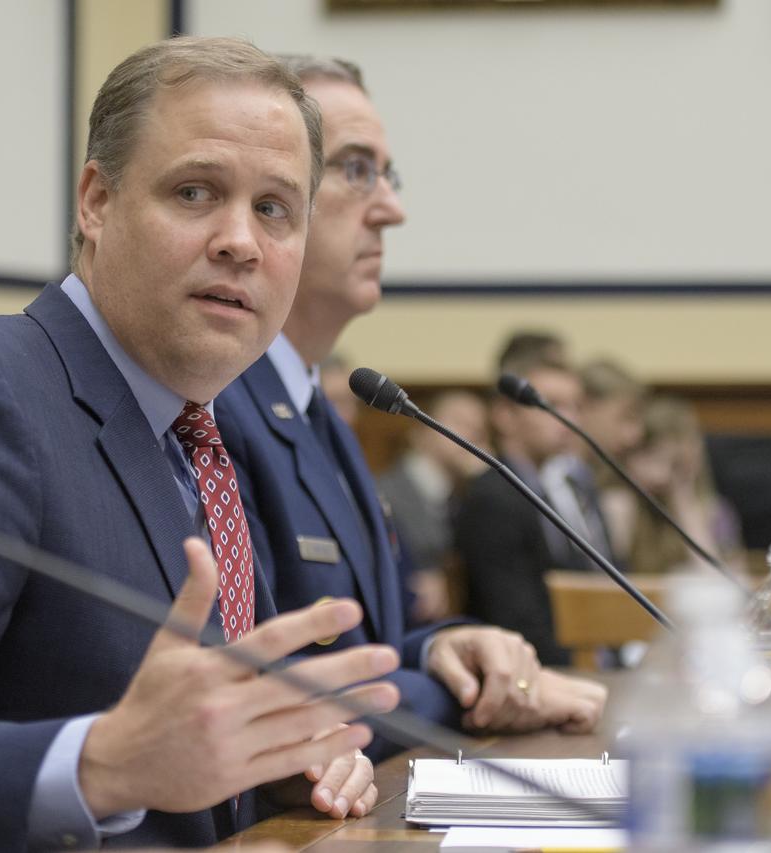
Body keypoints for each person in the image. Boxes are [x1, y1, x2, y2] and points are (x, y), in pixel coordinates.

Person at [0, 38, 402, 853]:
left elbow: (197, 748)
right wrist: (101, 765)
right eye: (196, 191)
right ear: (96, 200)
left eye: (275, 209)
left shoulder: (203, 431)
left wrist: (284, 756)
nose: (241, 240)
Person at [217, 55, 606, 757]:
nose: (391, 209)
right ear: (278, 196)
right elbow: (272, 693)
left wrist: (445, 648)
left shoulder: (323, 410)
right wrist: (477, 698)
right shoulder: (218, 405)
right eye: (356, 169)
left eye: (386, 175)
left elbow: (375, 639)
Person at [455, 356, 590, 665]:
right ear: (505, 415)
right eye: (551, 404)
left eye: (575, 406)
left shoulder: (557, 490)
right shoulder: (492, 497)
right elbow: (513, 616)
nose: (568, 419)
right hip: (523, 668)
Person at [378, 390, 488, 623]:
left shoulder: (469, 497)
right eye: (460, 422)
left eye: (479, 429)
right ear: (421, 430)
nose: (472, 434)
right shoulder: (382, 492)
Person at [602, 395, 743, 575]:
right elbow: (602, 579)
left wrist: (684, 503)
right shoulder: (619, 504)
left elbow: (719, 583)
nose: (661, 475)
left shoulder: (716, 511)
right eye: (651, 456)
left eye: (675, 464)